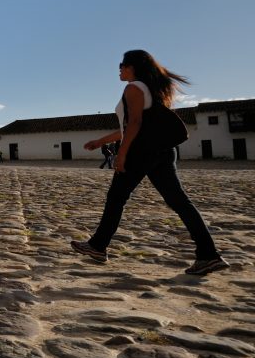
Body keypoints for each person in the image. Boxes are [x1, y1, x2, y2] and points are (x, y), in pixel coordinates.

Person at [71, 50, 229, 276]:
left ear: (133, 67)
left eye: (123, 64)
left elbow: (134, 124)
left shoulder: (133, 87)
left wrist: (122, 155)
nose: (119, 69)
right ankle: (208, 255)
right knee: (179, 202)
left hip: (141, 152)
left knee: (116, 198)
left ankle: (98, 246)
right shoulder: (150, 90)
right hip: (162, 151)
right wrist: (100, 141)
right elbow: (132, 126)